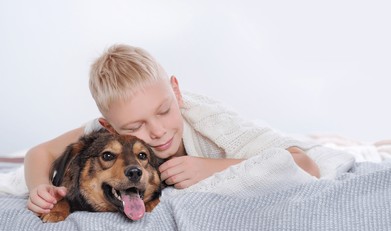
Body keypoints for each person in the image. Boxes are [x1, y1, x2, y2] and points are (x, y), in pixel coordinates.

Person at [25, 44, 328, 216]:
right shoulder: (106, 134)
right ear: (110, 128)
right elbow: (39, 153)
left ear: (176, 92)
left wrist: (213, 168)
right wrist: (40, 187)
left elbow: (306, 164)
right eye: (135, 126)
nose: (157, 131)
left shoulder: (211, 123)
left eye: (164, 110)